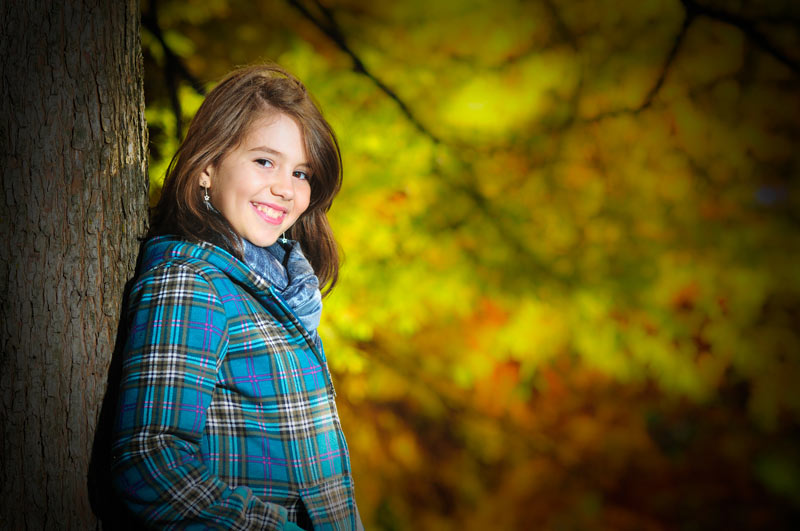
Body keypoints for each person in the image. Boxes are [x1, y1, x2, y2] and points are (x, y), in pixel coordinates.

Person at [111, 64, 363, 531]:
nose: (286, 188)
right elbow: (149, 462)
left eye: (302, 172)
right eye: (265, 161)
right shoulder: (192, 282)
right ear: (208, 167)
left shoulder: (282, 292)